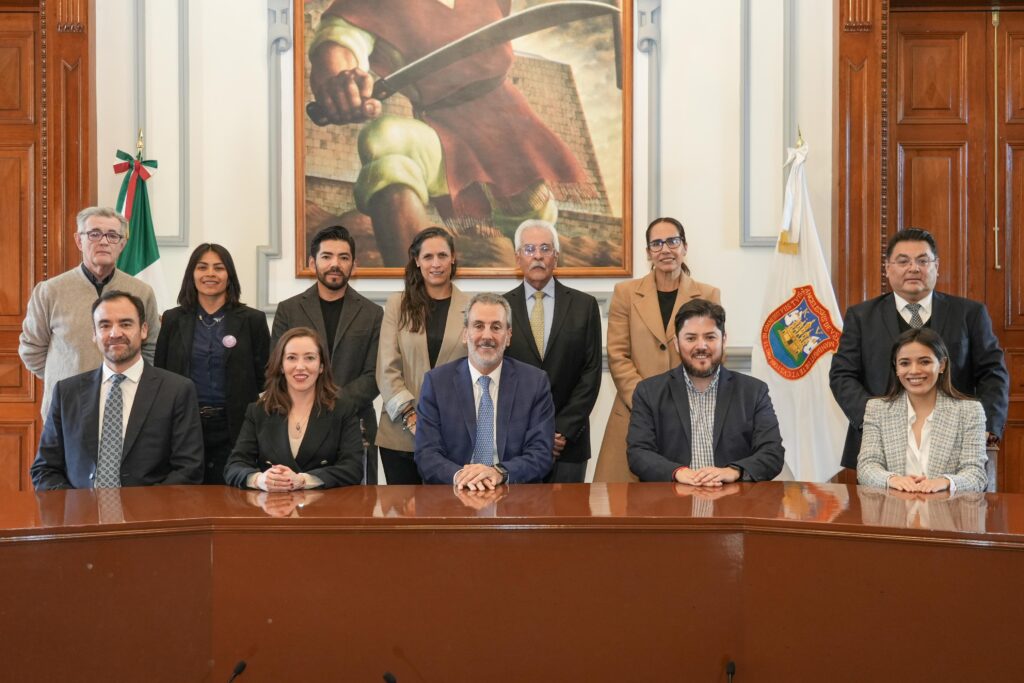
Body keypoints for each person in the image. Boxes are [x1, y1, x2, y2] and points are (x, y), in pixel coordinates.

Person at [307, 1, 595, 264]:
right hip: (442, 141)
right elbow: (339, 44)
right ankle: (414, 290)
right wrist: (339, 83)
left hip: (513, 136)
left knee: (533, 219)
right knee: (385, 138)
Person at [830, 228, 1009, 469]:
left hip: (954, 445)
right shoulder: (861, 316)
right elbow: (843, 375)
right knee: (877, 509)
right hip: (878, 448)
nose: (913, 268)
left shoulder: (969, 314)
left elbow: (993, 372)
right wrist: (877, 422)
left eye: (923, 261)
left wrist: (986, 426)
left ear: (937, 266)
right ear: (887, 268)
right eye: (903, 261)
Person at [30, 291, 203, 490]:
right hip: (79, 515)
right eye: (105, 325)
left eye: (126, 324)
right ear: (94, 334)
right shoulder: (67, 392)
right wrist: (78, 508)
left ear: (144, 330)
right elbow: (44, 469)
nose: (115, 333)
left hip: (148, 516)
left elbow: (189, 469)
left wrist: (142, 511)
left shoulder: (177, 390)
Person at [595, 217, 722, 483]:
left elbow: (709, 353)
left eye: (673, 241)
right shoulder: (625, 293)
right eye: (657, 243)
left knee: (687, 502)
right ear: (648, 253)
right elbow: (618, 354)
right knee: (626, 510)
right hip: (633, 411)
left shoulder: (708, 294)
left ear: (684, 247)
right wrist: (646, 402)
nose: (665, 249)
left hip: (690, 414)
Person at [19, 206, 161, 418]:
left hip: (125, 404)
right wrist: (62, 376)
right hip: (67, 408)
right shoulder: (50, 291)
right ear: (79, 240)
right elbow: (31, 349)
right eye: (94, 234)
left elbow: (152, 347)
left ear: (122, 244)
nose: (103, 241)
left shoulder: (142, 292)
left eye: (112, 235)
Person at [627, 299, 785, 484]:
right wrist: (677, 472)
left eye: (710, 337)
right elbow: (638, 453)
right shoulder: (649, 392)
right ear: (677, 343)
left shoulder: (753, 392)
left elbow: (772, 453)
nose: (701, 346)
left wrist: (734, 471)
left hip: (733, 504)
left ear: (724, 340)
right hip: (672, 502)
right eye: (691, 338)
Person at [272, 225, 383, 483]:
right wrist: (312, 406)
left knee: (358, 512)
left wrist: (331, 405)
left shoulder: (372, 313)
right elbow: (278, 366)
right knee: (299, 509)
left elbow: (374, 374)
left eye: (343, 258)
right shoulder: (288, 310)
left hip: (356, 427)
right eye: (327, 256)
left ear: (354, 265)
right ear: (313, 262)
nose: (335, 264)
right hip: (297, 425)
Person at [155, 244, 270, 484]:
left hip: (236, 428)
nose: (210, 274)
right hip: (184, 425)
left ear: (229, 276)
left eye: (219, 268)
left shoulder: (253, 320)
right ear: (192, 274)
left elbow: (264, 376)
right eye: (202, 267)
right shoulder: (172, 320)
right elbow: (161, 373)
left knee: (234, 498)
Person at [414, 293, 555, 488]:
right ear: (465, 334)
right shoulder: (437, 383)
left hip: (512, 496)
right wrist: (463, 477)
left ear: (508, 336)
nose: (487, 336)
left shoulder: (534, 383)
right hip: (454, 493)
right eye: (478, 326)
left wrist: (499, 472)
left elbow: (541, 454)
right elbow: (426, 454)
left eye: (496, 327)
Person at [503, 220, 602, 483]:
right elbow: (499, 374)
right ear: (518, 258)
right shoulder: (501, 308)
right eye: (530, 249)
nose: (537, 255)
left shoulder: (585, 306)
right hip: (516, 443)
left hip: (569, 443)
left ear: (556, 257)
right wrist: (533, 433)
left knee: (570, 520)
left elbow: (591, 375)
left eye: (545, 248)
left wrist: (560, 432)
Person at [377, 227, 469, 484]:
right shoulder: (397, 304)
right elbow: (387, 367)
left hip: (453, 436)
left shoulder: (472, 307)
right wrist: (410, 415)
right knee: (403, 521)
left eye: (442, 255)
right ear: (417, 261)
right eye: (428, 257)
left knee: (449, 517)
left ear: (453, 258)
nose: (436, 263)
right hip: (401, 434)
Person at [223, 327, 364, 490]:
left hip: (324, 508)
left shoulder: (343, 410)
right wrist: (260, 479)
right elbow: (234, 466)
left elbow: (353, 468)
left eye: (309, 358)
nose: (300, 367)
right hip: (272, 509)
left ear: (321, 367)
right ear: (281, 366)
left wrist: (303, 480)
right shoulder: (258, 411)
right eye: (291, 358)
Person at [857, 328, 988, 493]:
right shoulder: (877, 409)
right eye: (905, 363)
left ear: (942, 365)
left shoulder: (970, 411)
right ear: (896, 368)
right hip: (894, 513)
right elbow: (867, 467)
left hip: (947, 513)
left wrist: (945, 482)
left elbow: (976, 474)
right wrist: (893, 479)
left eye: (924, 362)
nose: (914, 371)